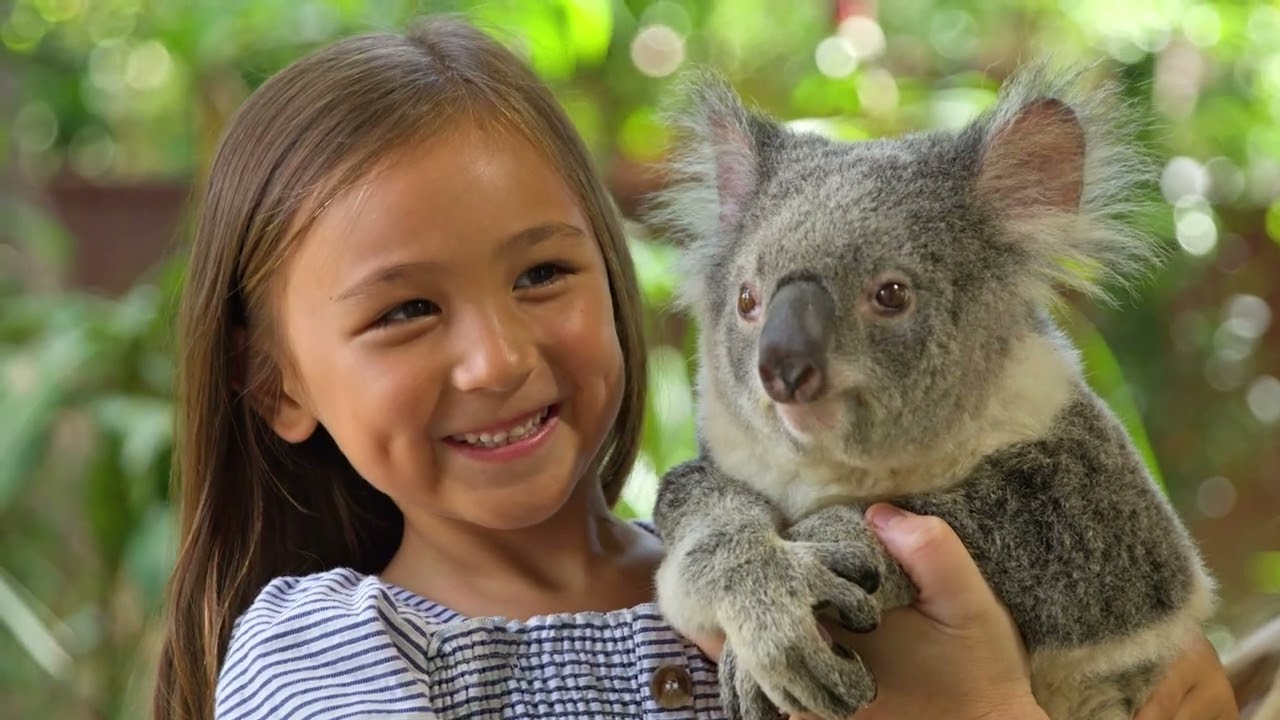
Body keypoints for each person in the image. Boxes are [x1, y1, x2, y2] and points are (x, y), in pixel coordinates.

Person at [150, 14, 1239, 720]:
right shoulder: (334, 654)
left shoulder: (782, 541)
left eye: (540, 276)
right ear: (273, 384)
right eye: (405, 310)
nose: (496, 357)